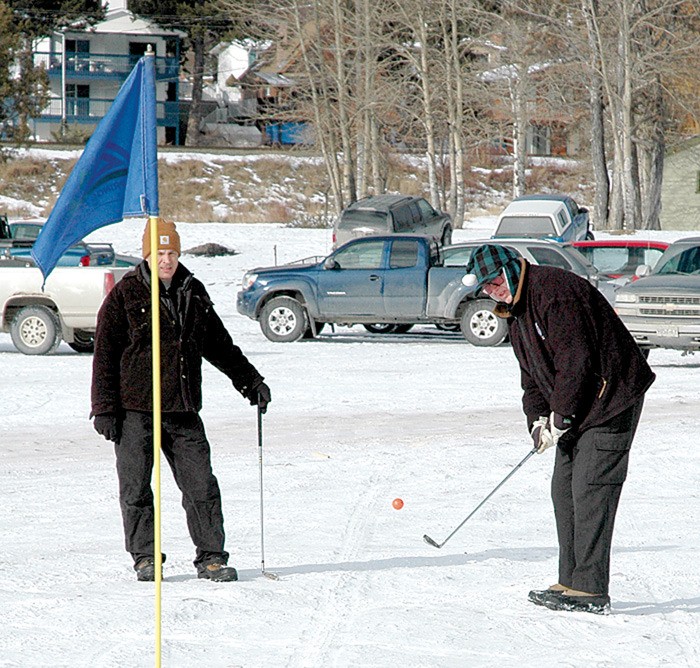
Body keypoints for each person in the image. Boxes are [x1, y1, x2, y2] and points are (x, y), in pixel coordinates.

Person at [463, 244, 655, 615]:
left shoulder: (555, 292)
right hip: (578, 404)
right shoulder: (517, 313)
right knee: (563, 491)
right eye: (485, 288)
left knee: (591, 489)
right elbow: (531, 378)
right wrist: (538, 421)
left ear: (511, 269)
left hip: (610, 397)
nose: (491, 291)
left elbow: (576, 361)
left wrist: (561, 417)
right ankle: (571, 580)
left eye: (494, 281)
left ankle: (591, 589)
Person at [91, 219, 271, 583]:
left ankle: (212, 558)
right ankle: (145, 557)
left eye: (172, 252)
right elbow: (105, 354)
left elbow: (219, 344)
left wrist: (250, 381)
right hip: (134, 410)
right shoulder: (126, 294)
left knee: (201, 485)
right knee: (136, 488)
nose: (167, 260)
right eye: (159, 253)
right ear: (147, 255)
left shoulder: (192, 291)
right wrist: (104, 407)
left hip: (182, 408)